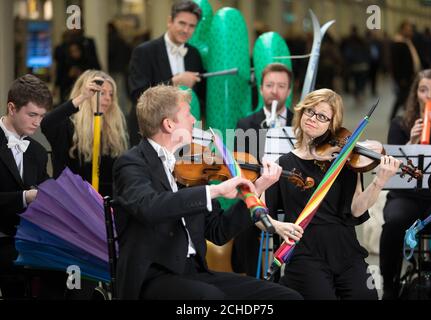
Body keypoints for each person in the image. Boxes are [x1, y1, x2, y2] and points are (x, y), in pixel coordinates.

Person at [112, 85, 304, 300]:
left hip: (195, 274)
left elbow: (218, 231)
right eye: (187, 114)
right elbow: (149, 206)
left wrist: (258, 187)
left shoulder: (187, 167)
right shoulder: (131, 164)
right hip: (152, 278)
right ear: (168, 124)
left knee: (286, 297)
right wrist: (214, 190)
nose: (194, 120)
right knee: (211, 298)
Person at [265, 88, 400, 300]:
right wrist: (278, 227)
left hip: (345, 249)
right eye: (310, 111)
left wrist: (379, 181)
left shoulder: (345, 162)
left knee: (366, 296)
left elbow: (356, 209)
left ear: (332, 124)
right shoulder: (284, 164)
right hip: (305, 252)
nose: (312, 118)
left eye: (322, 116)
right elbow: (260, 216)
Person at [380, 69, 431, 300]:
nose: (429, 95)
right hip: (406, 196)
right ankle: (389, 284)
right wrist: (409, 143)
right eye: (423, 89)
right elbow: (392, 170)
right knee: (394, 221)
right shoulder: (400, 123)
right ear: (416, 95)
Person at [0, 74, 61, 298]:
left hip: (27, 238)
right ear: (12, 108)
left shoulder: (36, 151)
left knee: (74, 265)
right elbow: (28, 195)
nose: (38, 122)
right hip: (3, 239)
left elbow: (44, 189)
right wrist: (25, 197)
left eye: (42, 116)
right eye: (32, 114)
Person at [233, 63, 294, 277]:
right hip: (260, 189)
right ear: (260, 89)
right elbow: (239, 166)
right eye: (269, 85)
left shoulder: (300, 122)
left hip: (292, 190)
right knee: (244, 221)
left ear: (288, 90)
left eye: (281, 85)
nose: (274, 90)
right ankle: (253, 279)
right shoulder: (246, 123)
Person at [128, 0, 205, 146]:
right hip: (149, 134)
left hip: (182, 136)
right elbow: (136, 94)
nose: (186, 30)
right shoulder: (144, 51)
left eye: (191, 26)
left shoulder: (194, 54)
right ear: (170, 21)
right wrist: (173, 82)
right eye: (182, 23)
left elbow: (201, 95)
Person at [41, 70, 128, 197]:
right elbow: (47, 123)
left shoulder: (113, 131)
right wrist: (82, 98)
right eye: (102, 93)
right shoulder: (68, 126)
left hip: (103, 203)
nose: (108, 98)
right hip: (72, 200)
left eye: (111, 94)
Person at [390, 21, 422, 120]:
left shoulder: (407, 41)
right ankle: (395, 117)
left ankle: (406, 115)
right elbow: (396, 63)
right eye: (408, 29)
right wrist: (400, 78)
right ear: (402, 30)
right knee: (403, 98)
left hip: (410, 76)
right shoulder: (398, 43)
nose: (410, 31)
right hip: (404, 77)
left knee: (405, 97)